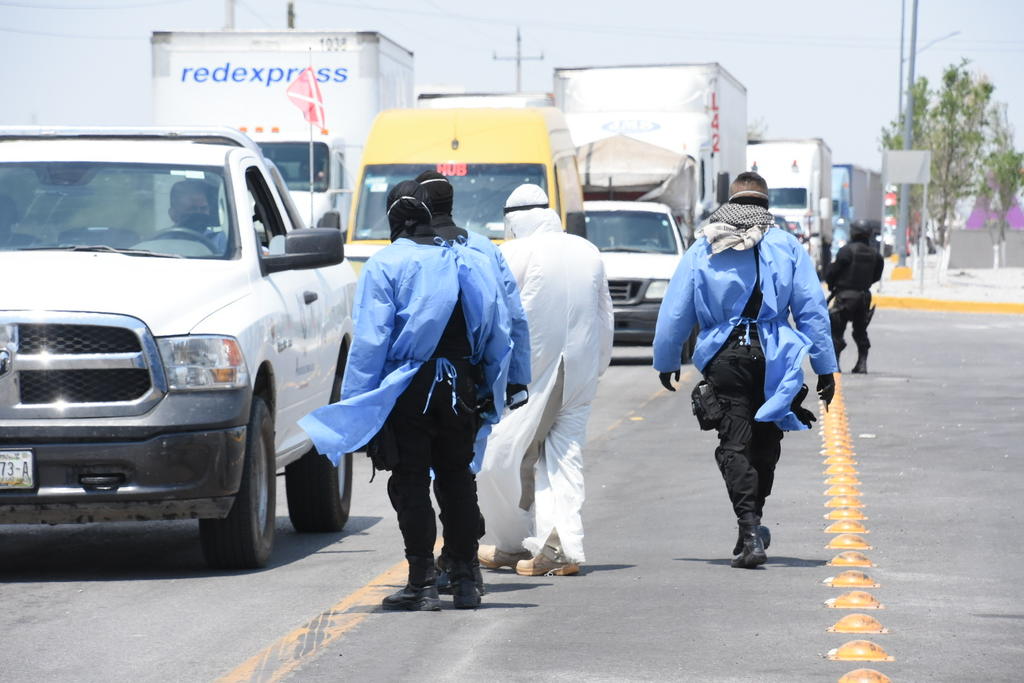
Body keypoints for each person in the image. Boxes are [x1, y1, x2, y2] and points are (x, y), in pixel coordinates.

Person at [299, 181, 513, 610]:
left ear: (394, 220)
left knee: (410, 480)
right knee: (457, 478)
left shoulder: (384, 264)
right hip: (461, 385)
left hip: (409, 387)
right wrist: (494, 385)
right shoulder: (464, 259)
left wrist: (360, 407)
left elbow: (371, 342)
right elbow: (497, 326)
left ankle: (422, 582)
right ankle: (466, 580)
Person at [653, 171, 837, 569]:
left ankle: (750, 529)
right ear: (767, 206)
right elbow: (811, 310)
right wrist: (825, 368)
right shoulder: (786, 245)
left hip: (726, 358)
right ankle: (752, 523)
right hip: (776, 359)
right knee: (765, 444)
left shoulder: (705, 246)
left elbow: (675, 312)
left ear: (731, 203)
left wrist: (667, 360)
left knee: (734, 444)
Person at [475, 184, 614, 577]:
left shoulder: (514, 252)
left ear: (514, 219)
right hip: (581, 373)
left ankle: (522, 543)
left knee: (497, 456)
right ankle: (554, 546)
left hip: (533, 375)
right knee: (564, 457)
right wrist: (599, 365)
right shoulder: (588, 250)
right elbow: (605, 316)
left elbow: (496, 314)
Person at [415, 170, 532, 595]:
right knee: (460, 469)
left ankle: (452, 554)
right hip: (477, 378)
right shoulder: (484, 248)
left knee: (430, 474)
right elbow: (513, 317)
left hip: (422, 381)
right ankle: (461, 556)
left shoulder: (412, 251)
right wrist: (515, 379)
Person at [826, 219, 884, 374]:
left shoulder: (846, 251)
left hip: (845, 297)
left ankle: (836, 364)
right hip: (864, 297)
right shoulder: (876, 255)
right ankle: (862, 363)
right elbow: (876, 276)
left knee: (836, 332)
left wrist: (832, 284)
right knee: (860, 331)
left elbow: (832, 272)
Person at [166, 179, 225, 252]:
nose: (199, 213)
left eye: (203, 208)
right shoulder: (160, 242)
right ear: (173, 214)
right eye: (192, 209)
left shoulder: (221, 240)